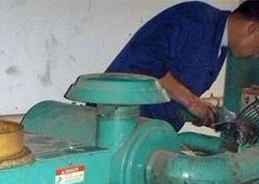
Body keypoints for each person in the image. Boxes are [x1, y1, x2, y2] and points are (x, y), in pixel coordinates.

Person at [106, 1, 259, 131]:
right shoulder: (196, 19)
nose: (256, 54)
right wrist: (192, 103)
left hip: (150, 129)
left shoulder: (221, 46)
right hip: (115, 121)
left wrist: (200, 113)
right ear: (252, 28)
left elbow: (175, 90)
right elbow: (144, 61)